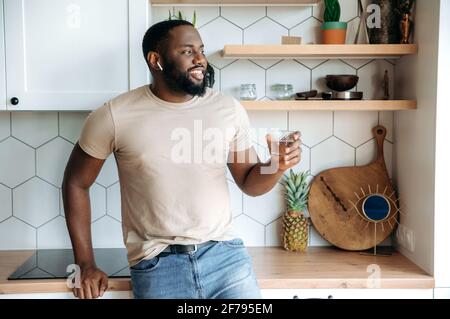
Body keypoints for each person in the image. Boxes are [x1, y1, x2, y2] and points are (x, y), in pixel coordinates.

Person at [62, 19, 301, 299]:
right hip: (157, 267)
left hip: (226, 261)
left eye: (201, 50)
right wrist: (86, 263)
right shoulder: (114, 116)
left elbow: (249, 182)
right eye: (188, 51)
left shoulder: (227, 110)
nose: (201, 59)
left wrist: (277, 164)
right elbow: (75, 183)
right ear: (157, 60)